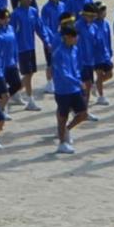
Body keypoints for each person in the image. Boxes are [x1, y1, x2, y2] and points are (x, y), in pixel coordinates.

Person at [49, 23, 88, 155]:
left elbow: (76, 68)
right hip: (63, 90)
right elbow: (63, 73)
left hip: (75, 89)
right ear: (66, 37)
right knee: (62, 117)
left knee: (83, 114)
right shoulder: (58, 53)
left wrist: (79, 82)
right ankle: (61, 143)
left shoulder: (75, 50)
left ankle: (67, 130)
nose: (76, 39)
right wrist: (78, 82)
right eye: (74, 36)